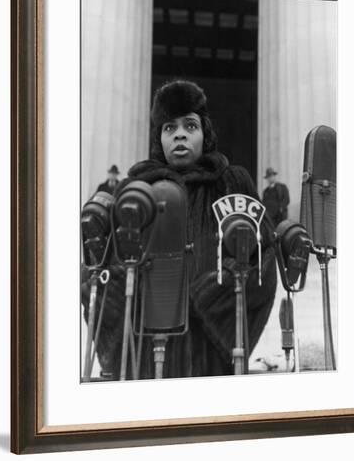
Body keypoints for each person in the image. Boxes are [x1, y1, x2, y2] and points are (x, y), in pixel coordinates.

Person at [81, 80, 277, 379]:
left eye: (190, 125)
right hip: (143, 347)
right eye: (169, 128)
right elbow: (102, 267)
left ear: (205, 133)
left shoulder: (231, 183)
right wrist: (132, 290)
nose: (180, 134)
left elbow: (261, 257)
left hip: (209, 349)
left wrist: (207, 293)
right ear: (158, 138)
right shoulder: (135, 189)